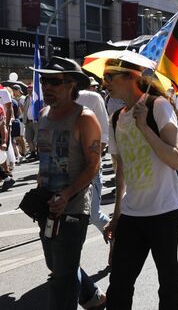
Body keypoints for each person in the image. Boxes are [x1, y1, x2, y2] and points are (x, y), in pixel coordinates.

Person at [102, 57, 178, 309]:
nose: (105, 84)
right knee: (119, 283)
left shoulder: (158, 106)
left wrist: (144, 127)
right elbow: (121, 172)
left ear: (130, 77)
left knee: (168, 281)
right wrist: (116, 216)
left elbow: (175, 159)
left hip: (164, 212)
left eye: (110, 77)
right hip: (131, 215)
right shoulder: (115, 118)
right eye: (103, 78)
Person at [32, 56, 105, 309]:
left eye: (54, 81)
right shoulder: (43, 114)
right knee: (57, 263)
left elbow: (93, 165)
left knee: (61, 278)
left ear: (72, 84)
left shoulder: (85, 118)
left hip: (73, 207)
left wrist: (68, 193)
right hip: (45, 205)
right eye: (44, 80)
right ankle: (92, 296)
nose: (46, 86)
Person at [76, 78, 112, 264]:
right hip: (68, 172)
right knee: (71, 218)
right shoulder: (56, 103)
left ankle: (114, 237)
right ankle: (69, 260)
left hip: (89, 168)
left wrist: (93, 160)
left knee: (93, 213)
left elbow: (104, 135)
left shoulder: (92, 97)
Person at [22, 84, 39, 160]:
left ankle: (39, 153)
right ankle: (32, 153)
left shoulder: (38, 98)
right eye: (28, 89)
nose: (29, 91)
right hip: (28, 121)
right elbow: (24, 108)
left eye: (31, 89)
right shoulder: (26, 98)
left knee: (37, 139)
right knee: (28, 138)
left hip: (36, 121)